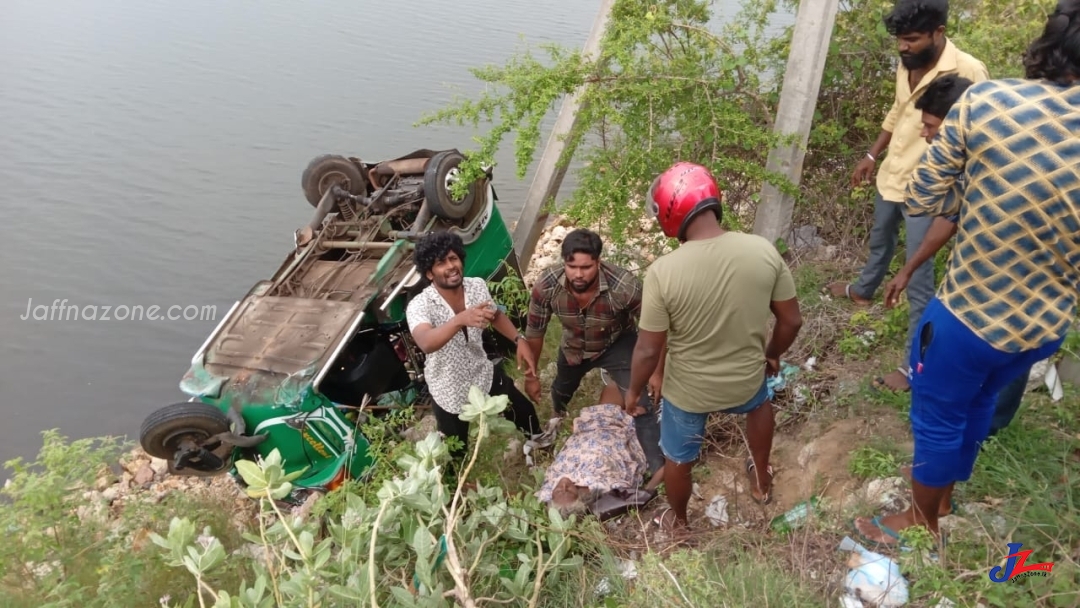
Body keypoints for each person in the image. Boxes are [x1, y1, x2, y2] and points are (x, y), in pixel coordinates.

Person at [855, 2, 1080, 547]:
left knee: (936, 414)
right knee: (979, 403)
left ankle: (922, 520)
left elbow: (926, 194)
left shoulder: (987, 100)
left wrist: (984, 188)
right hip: (1044, 325)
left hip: (971, 313)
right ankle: (947, 494)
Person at [624, 162, 804, 532]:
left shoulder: (663, 271)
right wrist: (772, 354)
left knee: (678, 460)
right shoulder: (762, 250)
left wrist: (635, 390)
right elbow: (792, 321)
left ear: (669, 213)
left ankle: (680, 522)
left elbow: (646, 350)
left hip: (689, 395)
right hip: (745, 382)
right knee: (759, 404)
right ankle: (761, 480)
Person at [824, 0, 989, 392]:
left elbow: (978, 134)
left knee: (917, 284)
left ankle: (913, 367)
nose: (903, 47)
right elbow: (899, 111)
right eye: (900, 40)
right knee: (879, 240)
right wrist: (871, 154)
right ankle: (864, 291)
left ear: (939, 32)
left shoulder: (969, 71)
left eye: (912, 39)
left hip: (931, 192)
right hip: (892, 177)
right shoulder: (908, 62)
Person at [882, 73, 1034, 441]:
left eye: (931, 125)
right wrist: (909, 268)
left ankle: (988, 431)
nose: (925, 133)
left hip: (1019, 285)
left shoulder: (1004, 164)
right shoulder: (969, 162)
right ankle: (971, 422)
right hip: (977, 283)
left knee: (1010, 348)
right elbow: (948, 218)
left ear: (958, 122)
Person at [523, 228, 664, 474]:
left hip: (617, 343)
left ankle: (657, 467)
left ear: (598, 262)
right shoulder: (546, 286)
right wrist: (531, 375)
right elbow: (535, 333)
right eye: (572, 266)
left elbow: (655, 329)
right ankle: (558, 416)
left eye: (586, 267)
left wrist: (655, 372)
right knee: (561, 389)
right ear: (563, 262)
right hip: (574, 346)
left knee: (640, 402)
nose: (578, 274)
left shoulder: (624, 286)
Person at [405, 231, 542, 467]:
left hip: (483, 373)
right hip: (448, 388)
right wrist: (459, 320)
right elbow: (426, 341)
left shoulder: (477, 286)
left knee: (524, 412)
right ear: (429, 273)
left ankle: (540, 444)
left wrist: (518, 339)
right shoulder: (420, 305)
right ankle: (457, 490)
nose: (451, 266)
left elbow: (495, 315)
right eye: (441, 263)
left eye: (453, 258)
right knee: (455, 453)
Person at [537, 380, 664, 519]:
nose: (564, 486)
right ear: (580, 498)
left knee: (618, 384)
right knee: (656, 401)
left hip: (596, 424)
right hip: (625, 434)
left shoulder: (549, 486)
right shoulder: (606, 487)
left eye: (558, 491)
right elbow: (637, 493)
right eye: (568, 492)